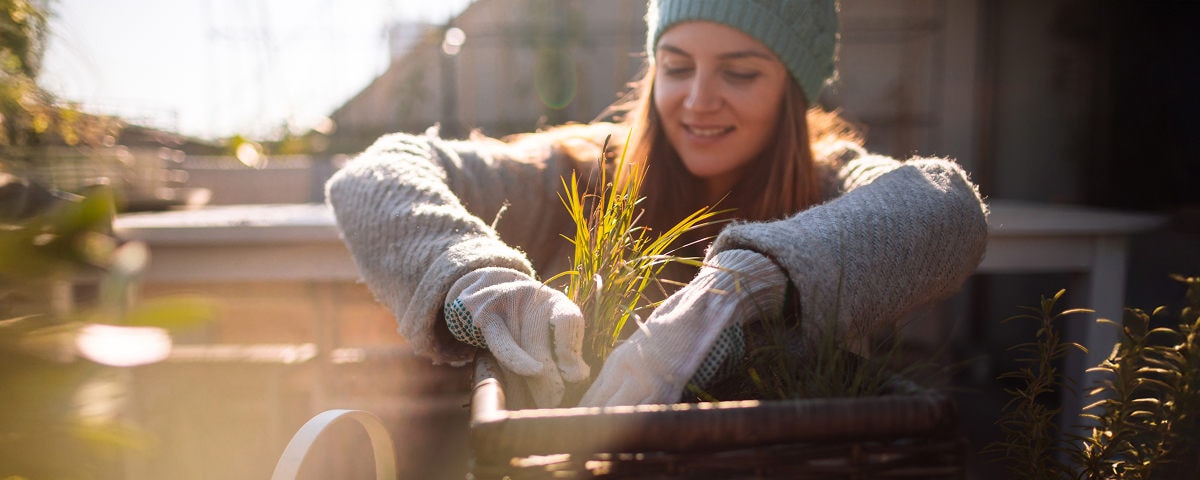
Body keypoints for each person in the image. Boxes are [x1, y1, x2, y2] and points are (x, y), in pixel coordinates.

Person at [325, 0, 988, 409]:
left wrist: (736, 289)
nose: (698, 99)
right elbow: (375, 176)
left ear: (792, 88)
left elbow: (947, 204)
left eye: (740, 72)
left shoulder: (829, 182)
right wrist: (480, 280)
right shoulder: (583, 173)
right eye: (676, 66)